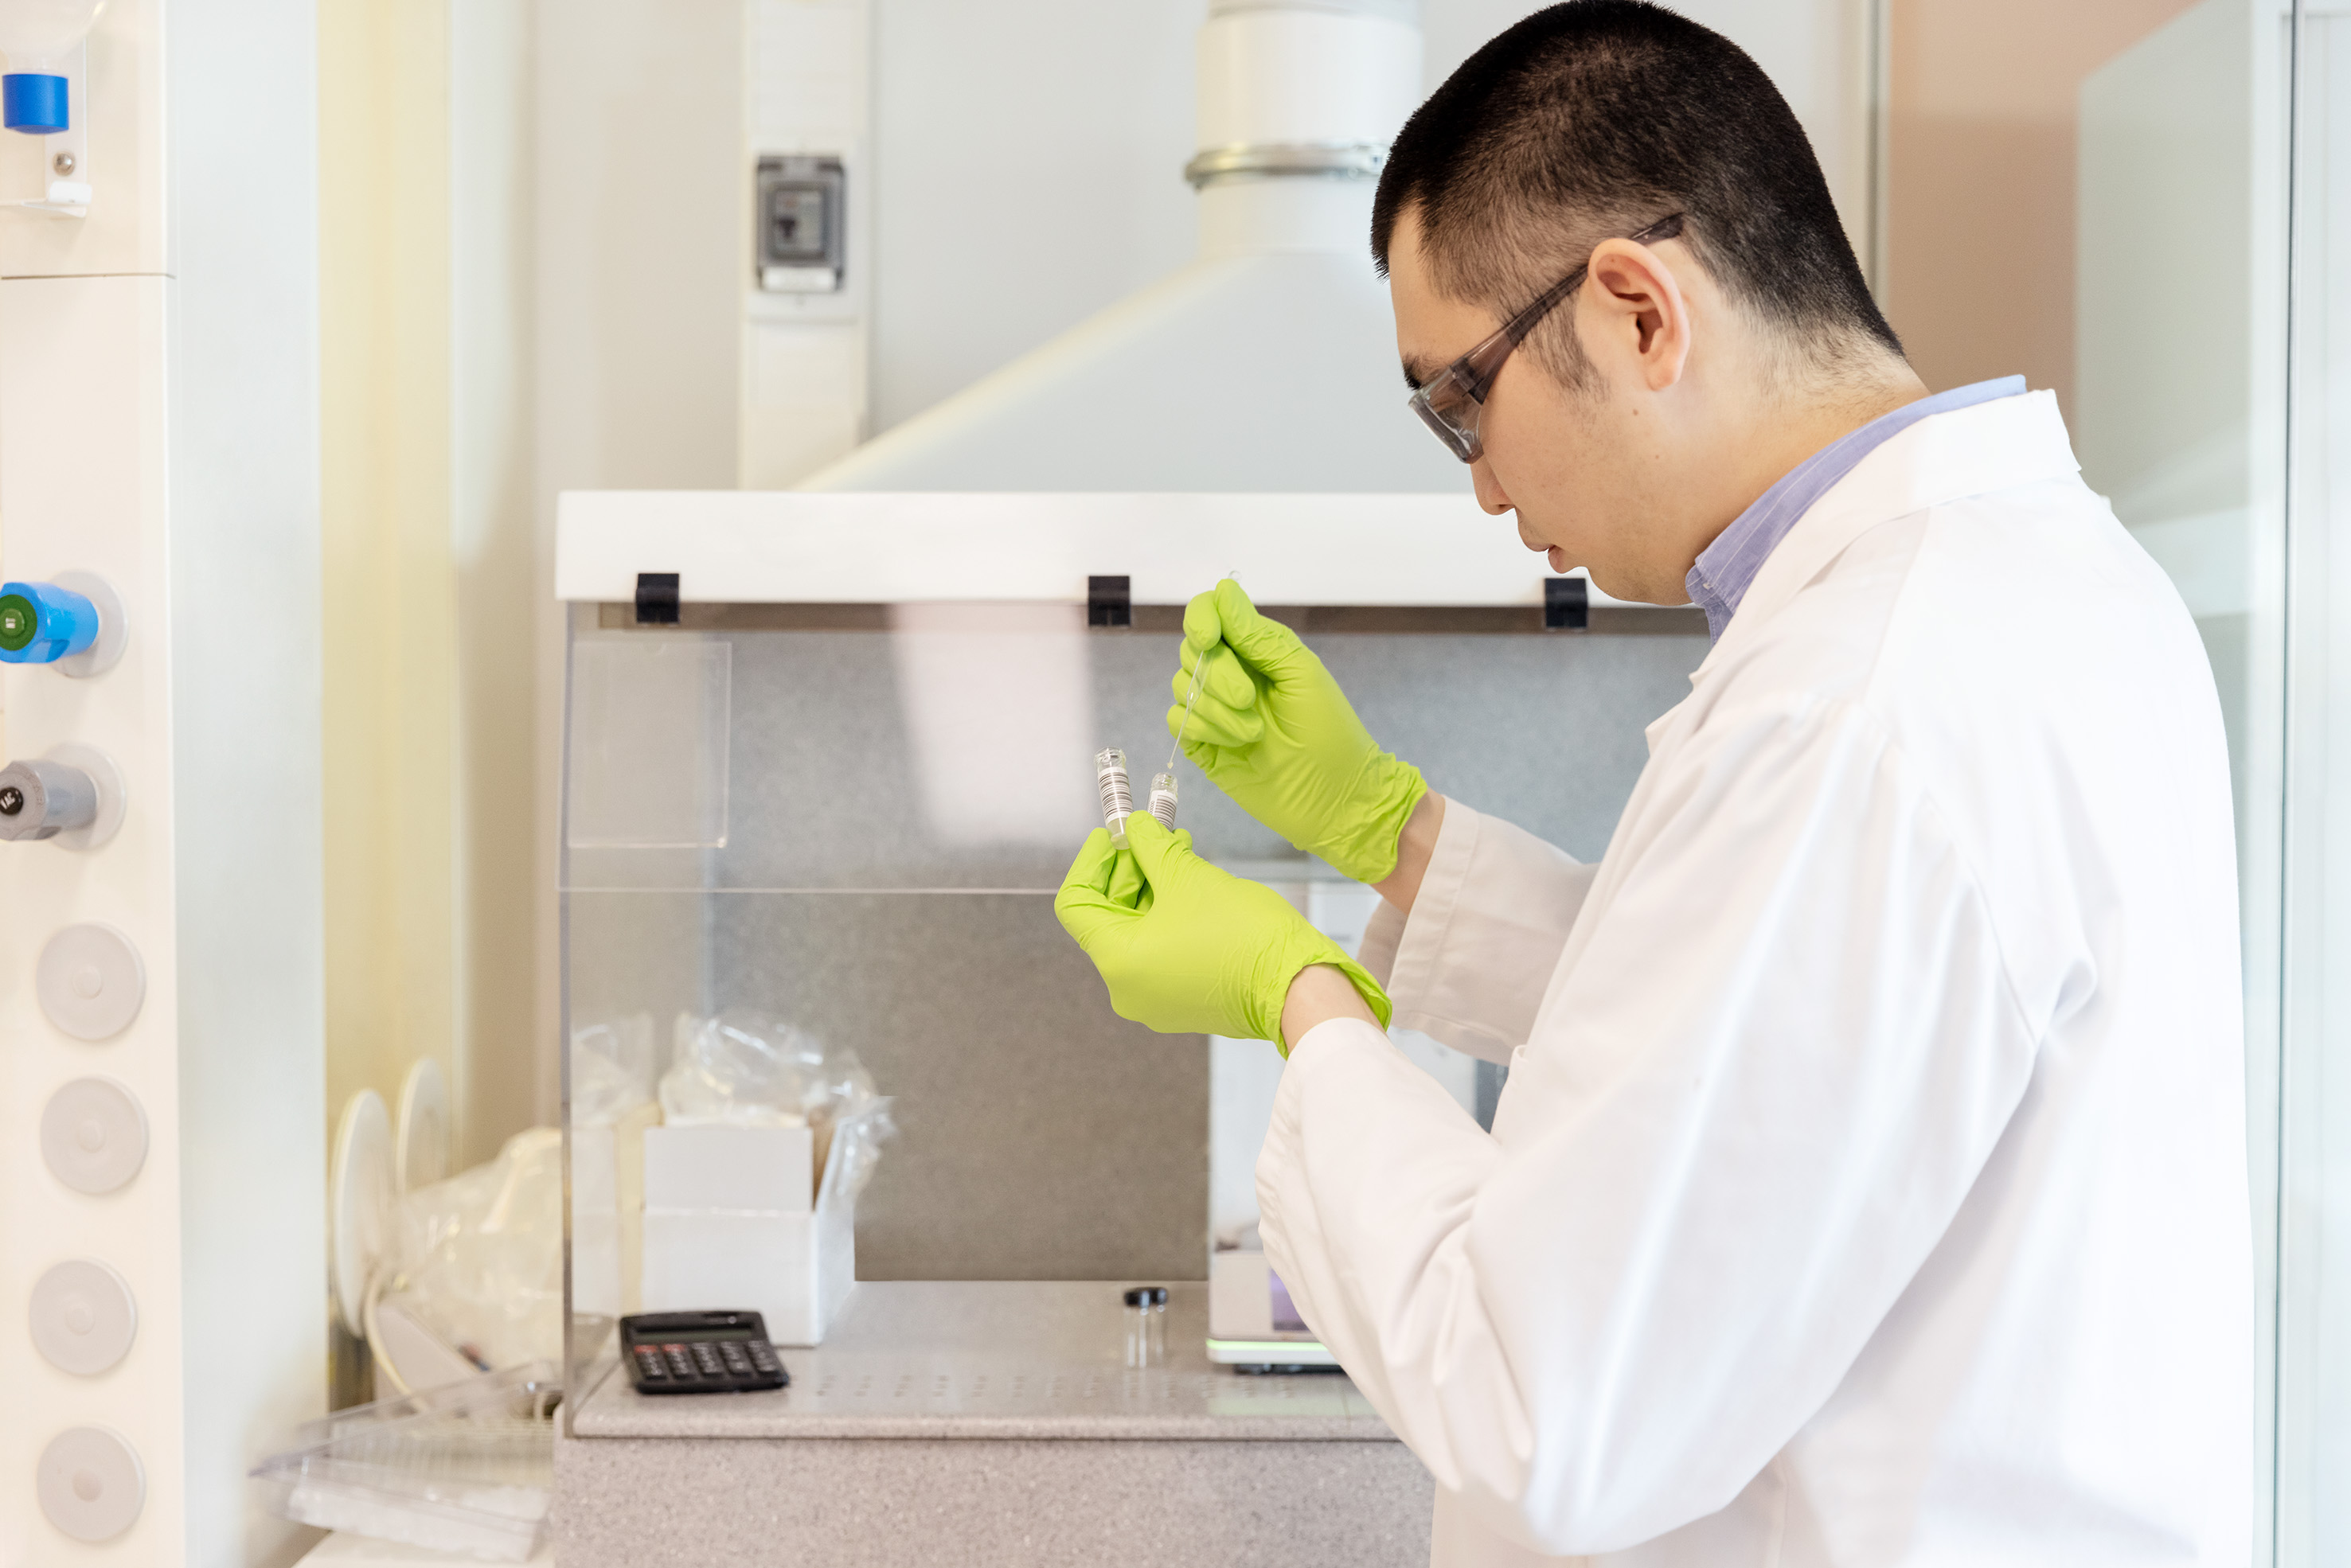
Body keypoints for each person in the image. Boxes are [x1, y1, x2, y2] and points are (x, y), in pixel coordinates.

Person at [1053, 2, 2250, 1564]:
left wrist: (1302, 1000)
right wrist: (1385, 832)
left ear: (1635, 311)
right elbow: (1779, 1067)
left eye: (1459, 399)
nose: (1478, 478)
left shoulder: (1859, 701)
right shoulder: (2029, 593)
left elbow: (1548, 1412)